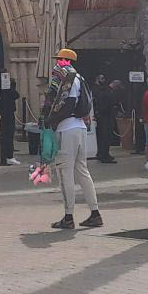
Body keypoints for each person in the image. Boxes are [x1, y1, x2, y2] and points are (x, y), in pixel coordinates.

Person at [46, 49, 102, 229]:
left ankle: (68, 216)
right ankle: (95, 213)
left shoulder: (68, 79)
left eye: (60, 60)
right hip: (79, 127)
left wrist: (51, 119)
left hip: (67, 129)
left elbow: (68, 103)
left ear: (66, 60)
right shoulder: (80, 78)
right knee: (82, 171)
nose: (57, 63)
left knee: (65, 173)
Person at [0, 77, 19, 165]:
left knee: (9, 136)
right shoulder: (5, 92)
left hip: (8, 114)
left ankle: (9, 155)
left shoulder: (8, 92)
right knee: (6, 136)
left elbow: (16, 95)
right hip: (6, 115)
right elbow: (14, 95)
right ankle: (7, 156)